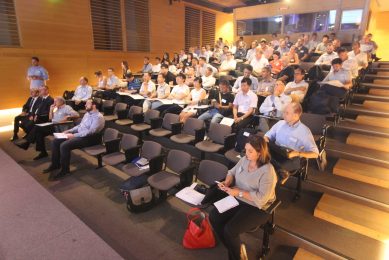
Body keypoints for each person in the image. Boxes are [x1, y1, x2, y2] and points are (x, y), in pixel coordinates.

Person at [209, 135, 277, 260]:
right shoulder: (245, 160)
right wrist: (228, 181)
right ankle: (236, 248)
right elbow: (232, 172)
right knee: (214, 217)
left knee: (230, 230)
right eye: (246, 149)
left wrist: (238, 192)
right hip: (237, 197)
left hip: (257, 206)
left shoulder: (268, 171)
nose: (246, 153)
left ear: (260, 153)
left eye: (250, 151)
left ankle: (237, 256)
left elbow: (261, 199)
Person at [43, 99, 105, 180]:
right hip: (80, 135)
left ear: (94, 106)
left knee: (64, 145)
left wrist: (73, 135)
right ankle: (55, 164)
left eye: (87, 104)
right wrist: (69, 130)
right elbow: (80, 126)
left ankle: (65, 170)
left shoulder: (98, 117)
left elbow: (90, 132)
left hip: (90, 139)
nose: (85, 105)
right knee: (56, 141)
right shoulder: (87, 114)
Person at [265, 102, 318, 182]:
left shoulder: (304, 131)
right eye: (284, 112)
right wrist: (265, 139)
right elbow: (267, 136)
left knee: (271, 168)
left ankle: (269, 187)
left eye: (287, 113)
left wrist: (298, 153)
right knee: (261, 158)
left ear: (296, 115)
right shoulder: (280, 123)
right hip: (276, 152)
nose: (283, 115)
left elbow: (315, 154)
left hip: (291, 157)